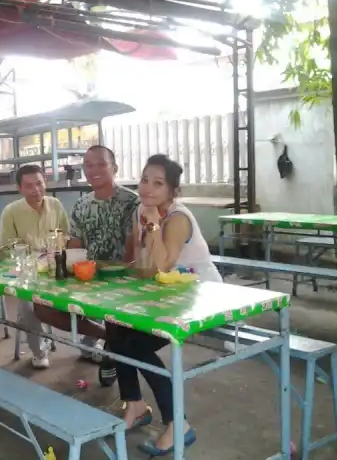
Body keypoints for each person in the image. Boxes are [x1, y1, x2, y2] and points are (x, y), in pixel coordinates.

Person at [110, 154, 221, 457]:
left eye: (158, 183)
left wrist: (154, 224)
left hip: (204, 299)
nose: (147, 188)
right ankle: (134, 404)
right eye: (145, 180)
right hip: (168, 296)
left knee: (135, 346)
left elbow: (163, 262)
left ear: (173, 191)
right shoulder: (142, 212)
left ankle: (177, 423)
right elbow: (138, 261)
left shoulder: (177, 218)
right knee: (115, 327)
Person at [63, 145, 140, 386]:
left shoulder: (131, 202)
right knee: (42, 308)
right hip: (88, 278)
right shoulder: (81, 204)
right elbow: (75, 247)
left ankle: (113, 352)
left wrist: (119, 277)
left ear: (114, 168)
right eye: (88, 165)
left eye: (101, 164)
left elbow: (132, 252)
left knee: (117, 314)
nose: (93, 170)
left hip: (121, 281)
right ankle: (108, 339)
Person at [0, 164, 70, 369]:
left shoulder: (55, 205)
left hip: (57, 268)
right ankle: (39, 351)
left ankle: (91, 344)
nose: (36, 190)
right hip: (27, 273)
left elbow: (66, 235)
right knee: (27, 307)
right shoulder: (11, 212)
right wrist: (34, 259)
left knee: (87, 298)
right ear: (20, 188)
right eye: (29, 186)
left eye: (39, 183)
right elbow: (6, 250)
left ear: (45, 183)